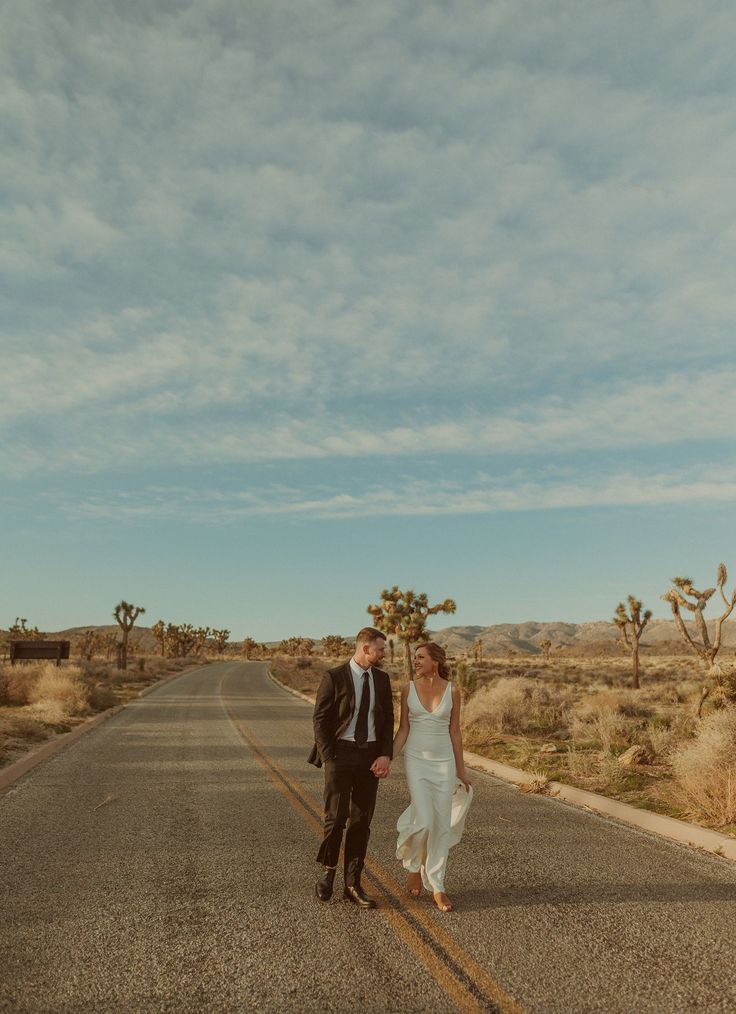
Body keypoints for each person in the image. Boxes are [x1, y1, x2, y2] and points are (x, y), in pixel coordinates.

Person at [308, 627, 394, 908]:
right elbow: (320, 719)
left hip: (370, 757)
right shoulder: (334, 677)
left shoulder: (382, 680)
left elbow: (386, 721)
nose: (384, 654)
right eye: (381, 649)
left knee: (361, 822)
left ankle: (353, 885)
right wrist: (330, 756)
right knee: (335, 819)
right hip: (340, 755)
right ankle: (328, 872)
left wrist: (385, 755)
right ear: (366, 648)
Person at [393, 642, 472, 912]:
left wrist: (461, 770)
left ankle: (437, 885)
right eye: (414, 657)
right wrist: (387, 757)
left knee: (440, 824)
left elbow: (455, 733)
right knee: (424, 820)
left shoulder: (453, 691)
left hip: (444, 762)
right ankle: (413, 865)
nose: (415, 661)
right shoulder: (407, 689)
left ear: (435, 661)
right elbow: (403, 729)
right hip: (416, 759)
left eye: (421, 657)